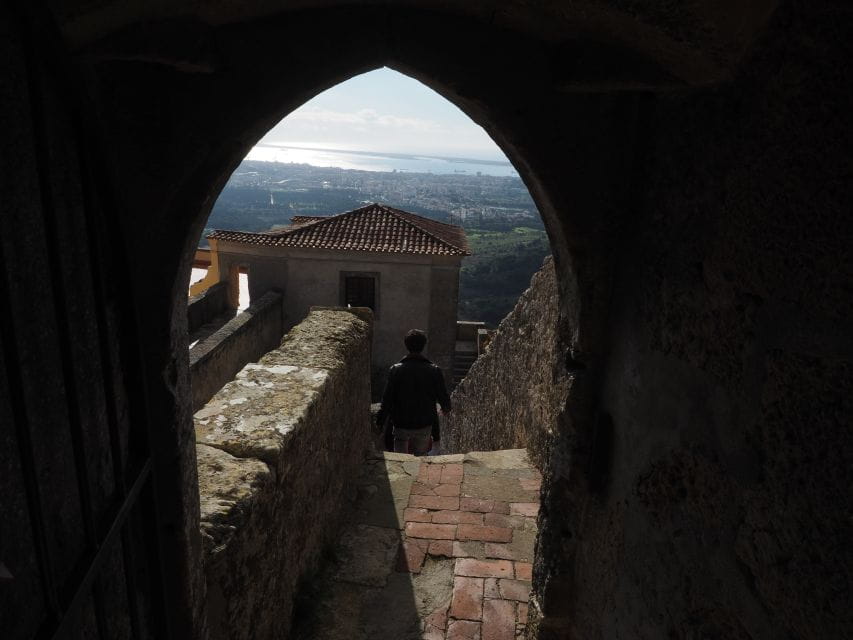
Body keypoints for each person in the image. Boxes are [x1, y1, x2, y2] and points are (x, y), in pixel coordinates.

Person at [377, 329, 451, 456]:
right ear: (423, 345)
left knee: (400, 458)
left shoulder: (396, 370)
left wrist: (379, 423)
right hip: (424, 423)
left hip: (401, 423)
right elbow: (443, 396)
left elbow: (387, 400)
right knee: (420, 457)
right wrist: (446, 408)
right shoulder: (434, 371)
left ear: (406, 345)